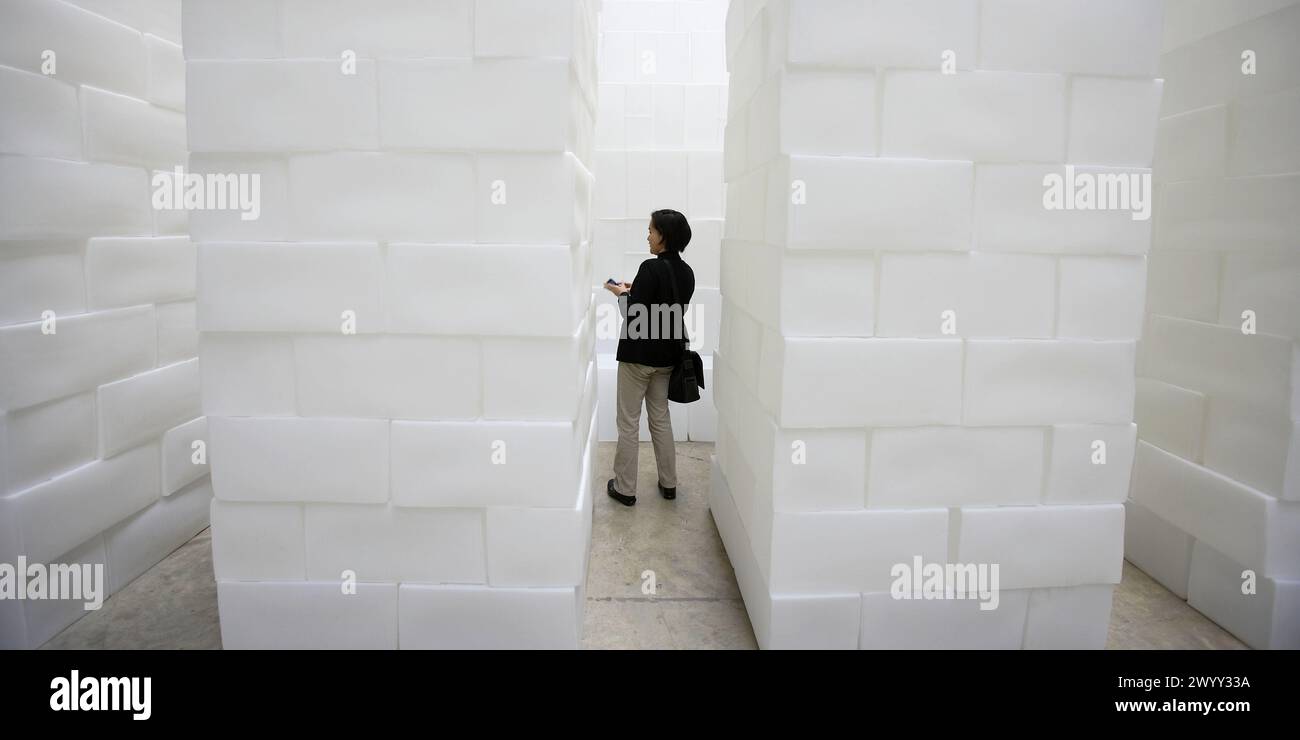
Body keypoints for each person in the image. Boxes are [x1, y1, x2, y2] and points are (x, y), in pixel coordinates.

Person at [603, 209, 695, 506]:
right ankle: (669, 484)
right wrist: (635, 289)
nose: (648, 236)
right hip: (667, 358)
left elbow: (635, 315)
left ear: (663, 236)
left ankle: (625, 488)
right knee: (660, 418)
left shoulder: (649, 267)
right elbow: (666, 308)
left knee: (629, 422)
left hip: (638, 358)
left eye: (651, 231)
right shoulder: (687, 273)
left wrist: (619, 293)